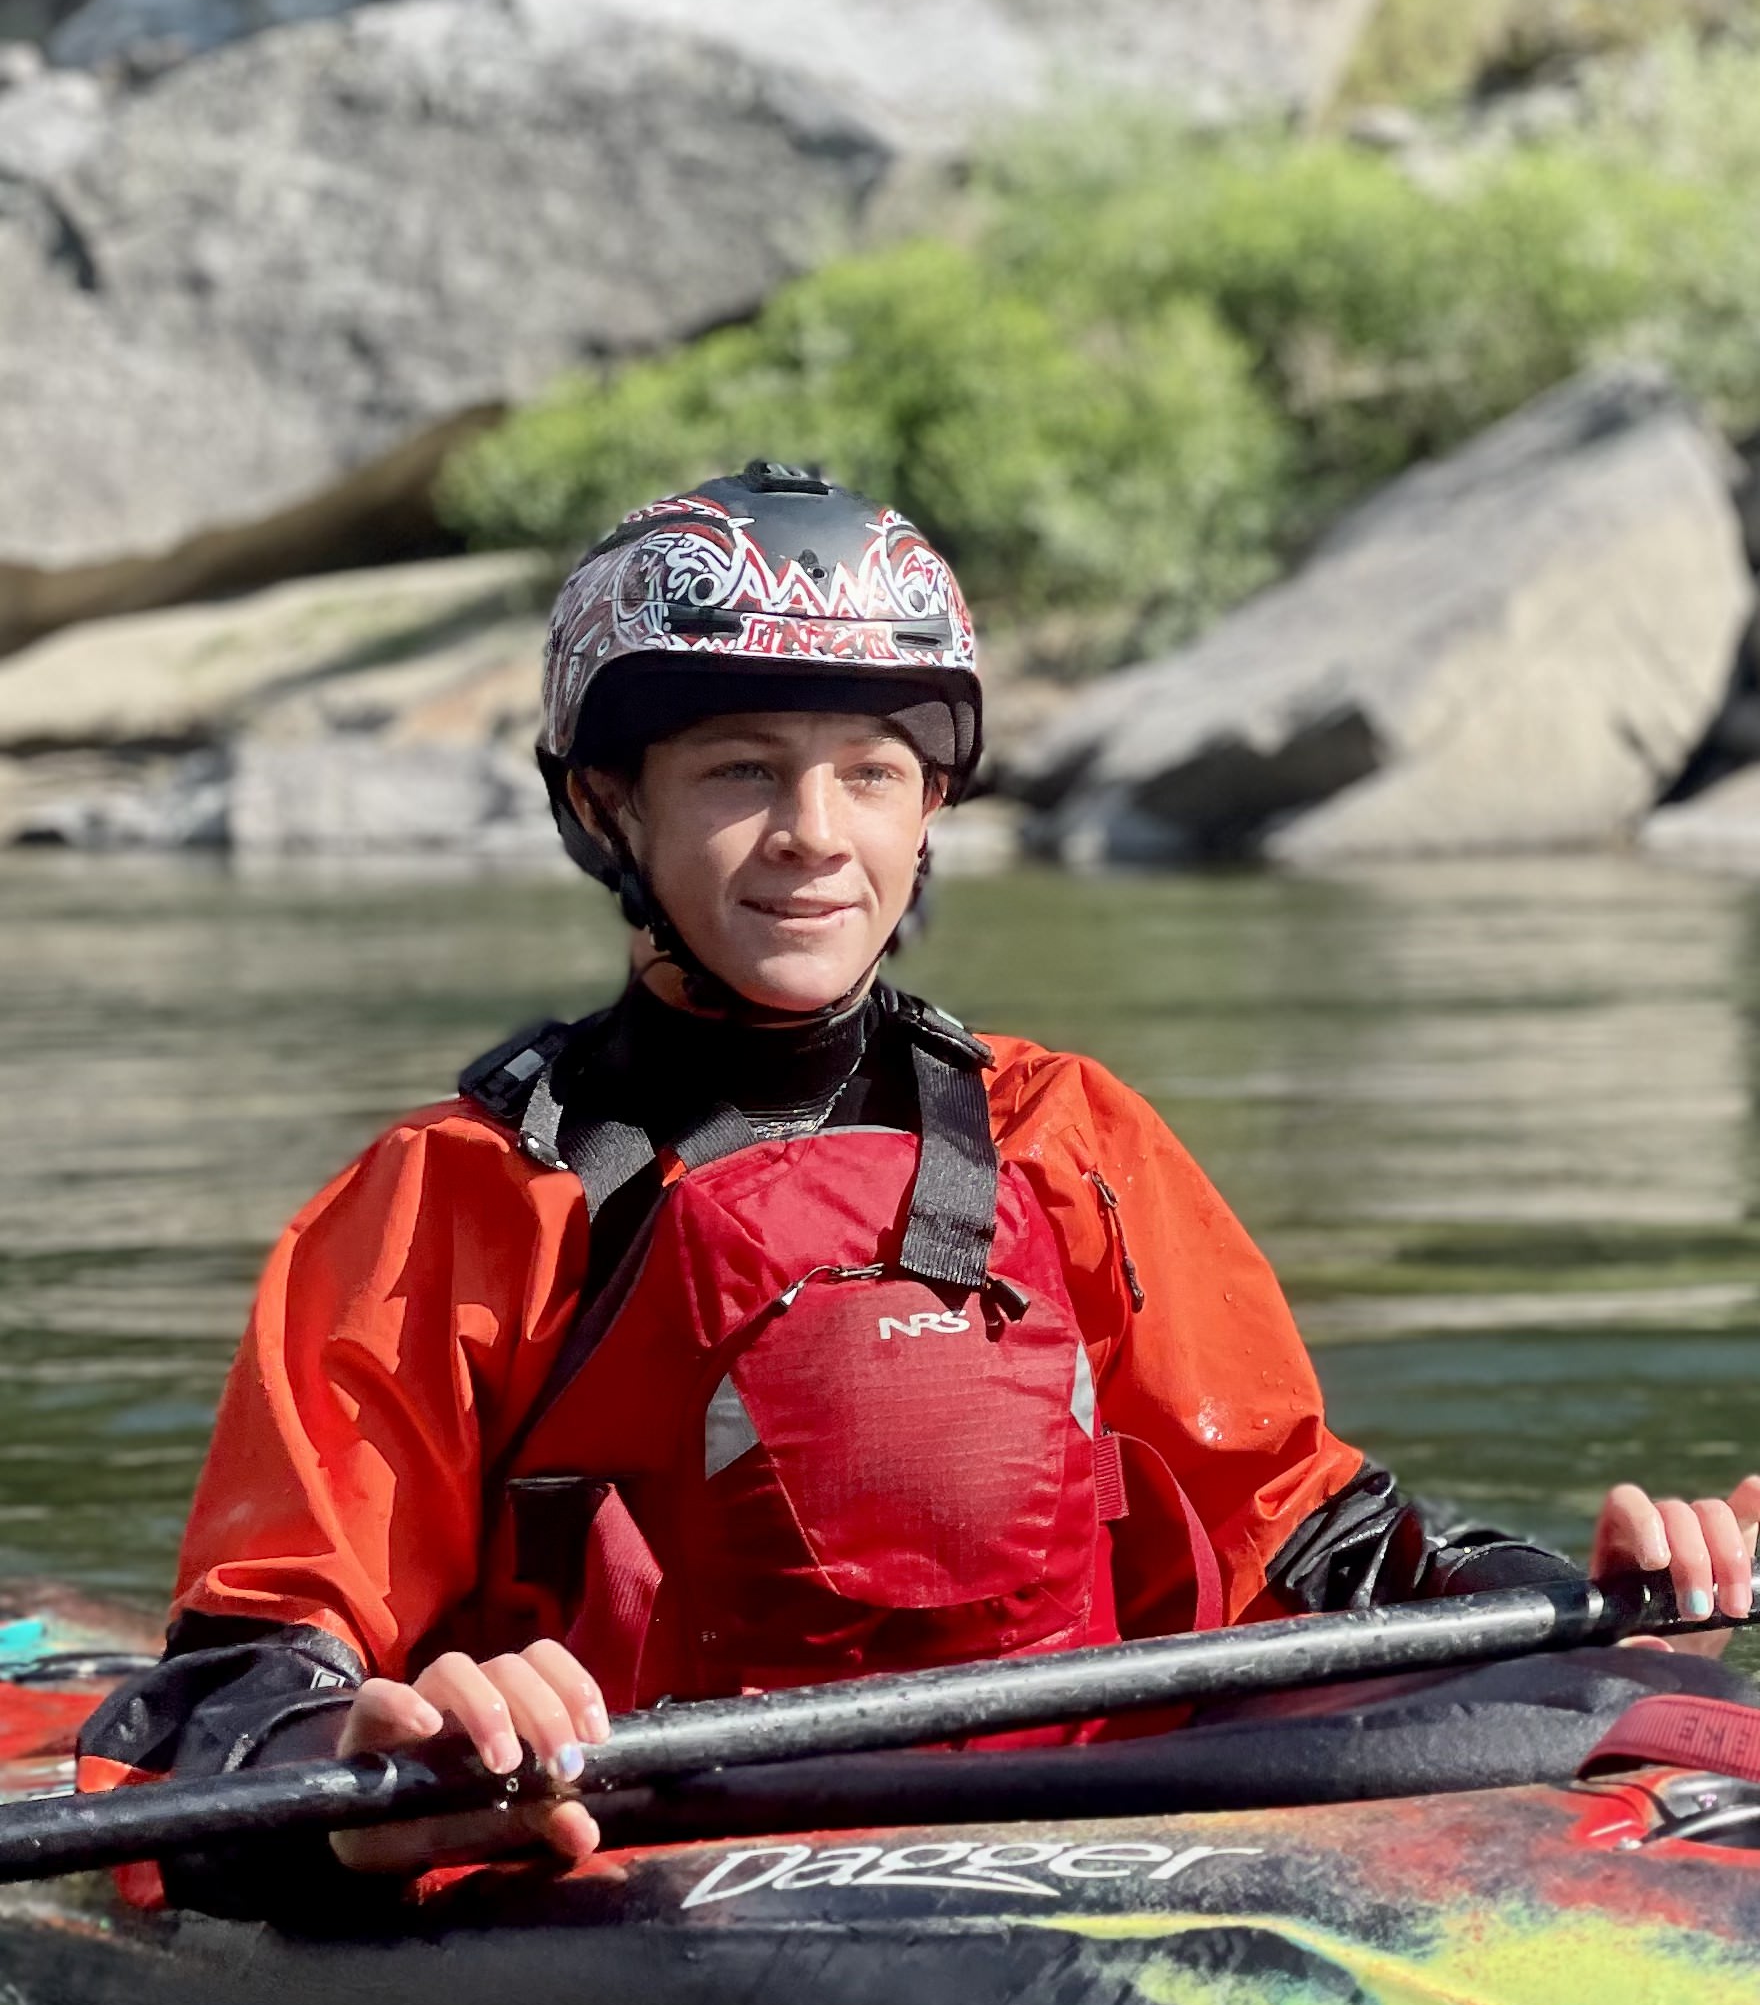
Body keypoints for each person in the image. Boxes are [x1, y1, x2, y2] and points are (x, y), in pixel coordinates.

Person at [78, 461, 1760, 1901]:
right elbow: (246, 1679)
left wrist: (1592, 1608)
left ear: (930, 808)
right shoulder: (457, 1200)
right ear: (609, 808)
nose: (817, 833)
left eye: (871, 774)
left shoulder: (1065, 1134)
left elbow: (1316, 1545)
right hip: (654, 1853)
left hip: (1108, 1831)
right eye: (741, 771)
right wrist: (375, 1769)